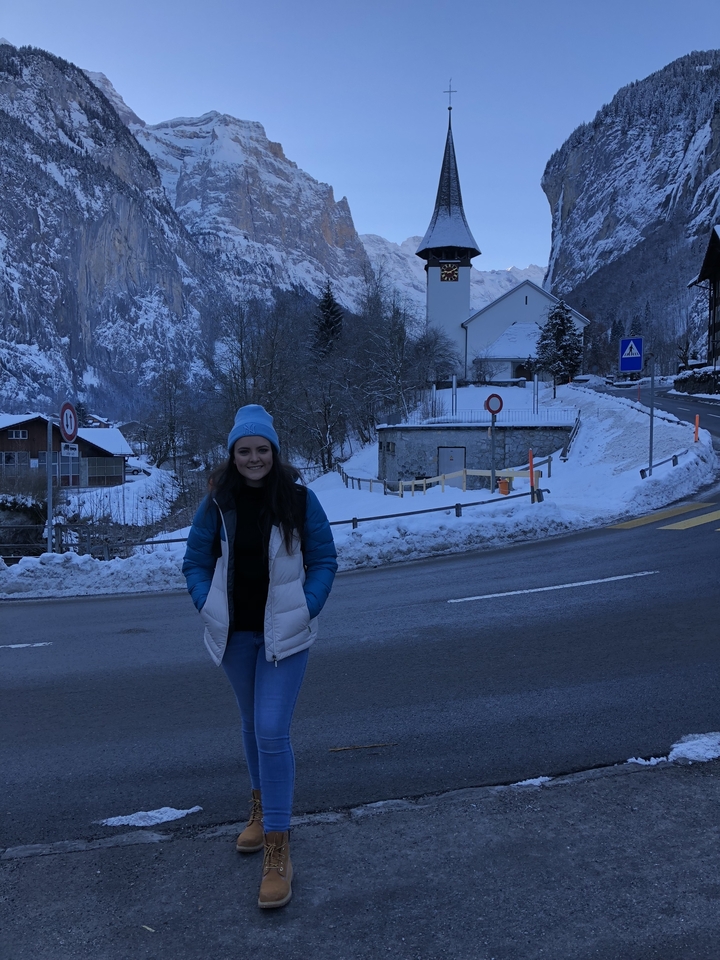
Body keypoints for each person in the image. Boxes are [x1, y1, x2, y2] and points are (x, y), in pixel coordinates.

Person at [182, 404, 337, 909]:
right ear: (232, 454)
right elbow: (195, 561)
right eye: (244, 450)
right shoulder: (217, 502)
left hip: (283, 637)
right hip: (235, 637)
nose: (253, 458)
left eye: (262, 449)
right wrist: (207, 605)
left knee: (271, 729)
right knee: (251, 724)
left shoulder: (297, 499)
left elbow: (325, 559)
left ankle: (278, 846)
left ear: (274, 451)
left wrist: (306, 607)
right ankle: (260, 809)